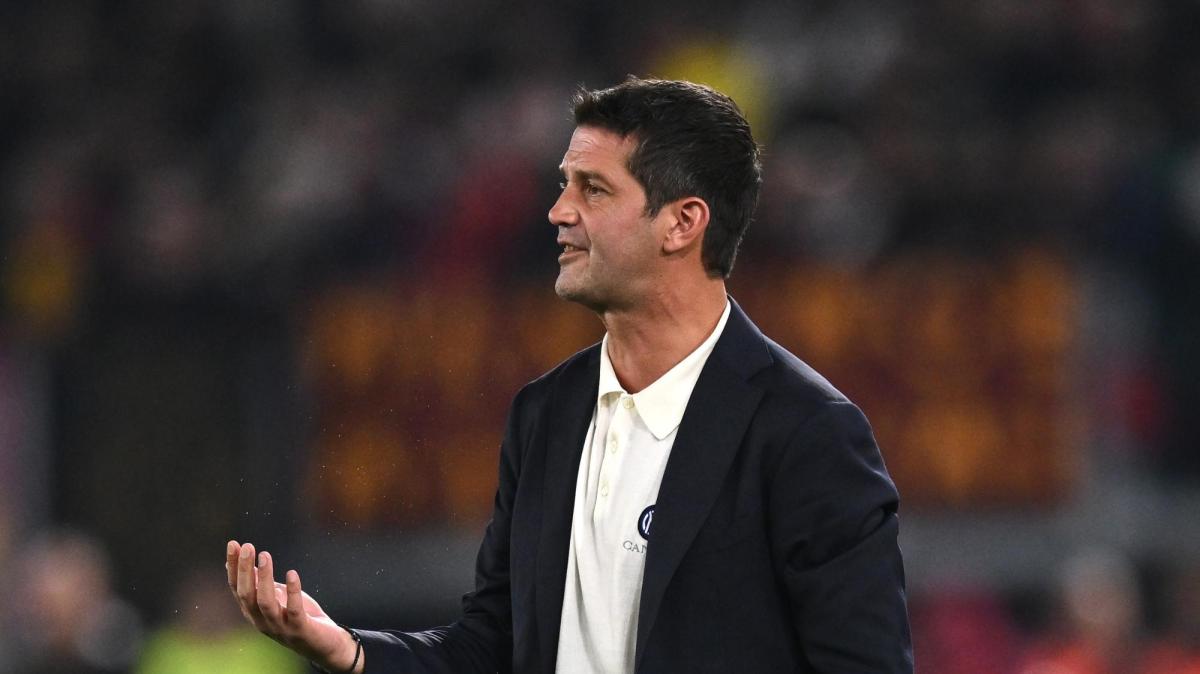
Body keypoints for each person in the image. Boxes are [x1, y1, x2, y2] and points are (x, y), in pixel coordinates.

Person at [227, 77, 912, 673]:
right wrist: (351, 650)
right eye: (565, 184)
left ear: (682, 223)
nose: (559, 211)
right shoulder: (546, 414)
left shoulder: (806, 432)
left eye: (594, 189)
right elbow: (491, 648)